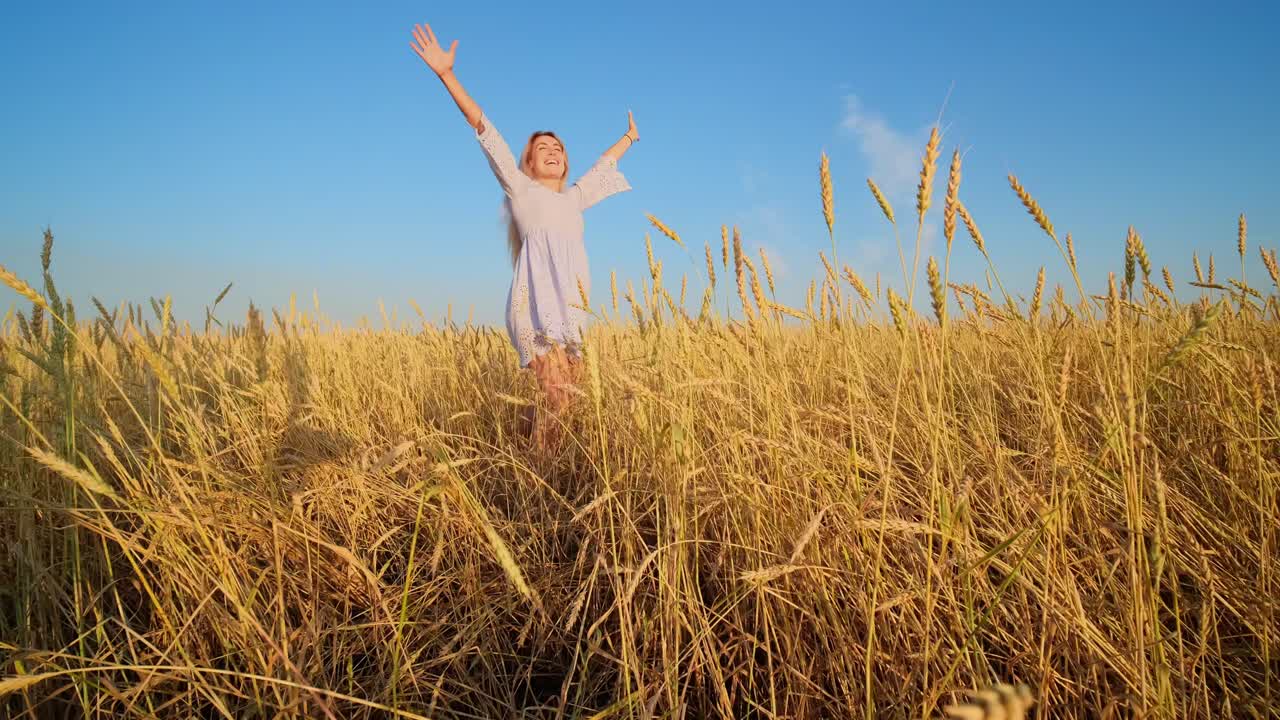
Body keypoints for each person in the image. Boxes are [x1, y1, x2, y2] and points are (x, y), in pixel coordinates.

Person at [410, 22, 637, 449]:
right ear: (529, 163)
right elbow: (486, 131)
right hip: (534, 307)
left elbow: (603, 165)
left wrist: (629, 136)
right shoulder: (521, 189)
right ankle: (537, 484)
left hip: (573, 310)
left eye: (559, 148)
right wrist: (446, 75)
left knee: (557, 401)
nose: (553, 152)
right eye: (543, 149)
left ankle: (508, 452)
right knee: (561, 401)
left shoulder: (574, 198)